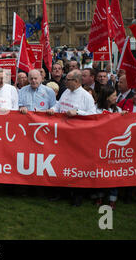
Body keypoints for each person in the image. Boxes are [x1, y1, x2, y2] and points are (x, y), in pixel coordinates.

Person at [46, 69, 96, 206]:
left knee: (76, 166)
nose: (65, 82)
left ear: (76, 81)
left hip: (77, 138)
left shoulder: (86, 96)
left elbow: (93, 115)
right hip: (62, 135)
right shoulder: (66, 92)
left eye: (67, 80)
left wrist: (78, 112)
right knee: (61, 164)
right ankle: (61, 192)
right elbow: (59, 105)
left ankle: (77, 195)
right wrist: (53, 110)